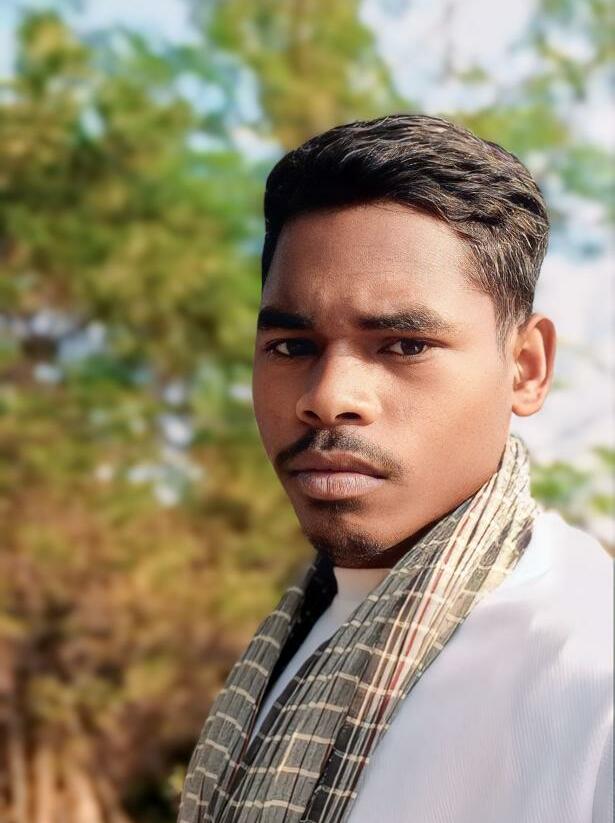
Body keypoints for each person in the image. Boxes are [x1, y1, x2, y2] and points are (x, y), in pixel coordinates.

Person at [178, 114, 613, 823]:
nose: (328, 398)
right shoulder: (293, 642)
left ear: (526, 368)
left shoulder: (589, 672)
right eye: (292, 347)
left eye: (404, 345)